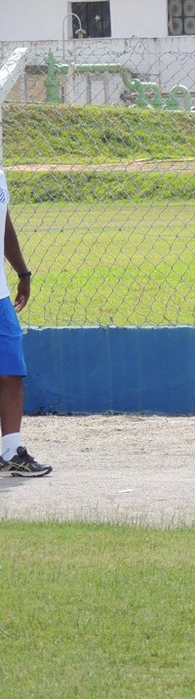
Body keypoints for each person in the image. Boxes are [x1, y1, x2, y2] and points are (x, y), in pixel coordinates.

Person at [0, 168, 53, 478]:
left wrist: (22, 272)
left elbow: (3, 224)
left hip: (0, 295)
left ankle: (11, 452)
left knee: (11, 372)